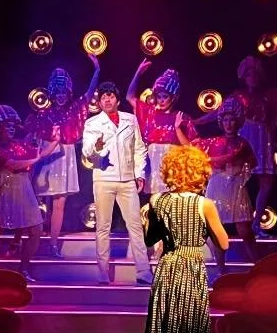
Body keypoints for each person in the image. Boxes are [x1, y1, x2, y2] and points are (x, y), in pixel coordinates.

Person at [142, 144, 229, 333]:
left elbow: (150, 238)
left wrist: (150, 218)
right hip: (190, 268)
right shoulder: (204, 204)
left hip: (167, 269)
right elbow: (224, 243)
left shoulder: (156, 201)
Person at [192, 51, 277, 237]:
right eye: (248, 74)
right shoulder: (237, 96)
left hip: (263, 139)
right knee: (234, 179)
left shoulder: (269, 95)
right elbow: (218, 113)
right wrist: (197, 122)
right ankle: (226, 222)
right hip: (243, 136)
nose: (252, 77)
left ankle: (256, 224)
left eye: (254, 74)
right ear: (244, 77)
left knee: (266, 182)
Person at [21, 53, 101, 256]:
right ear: (52, 93)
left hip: (65, 156)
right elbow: (29, 136)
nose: (60, 96)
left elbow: (89, 93)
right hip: (47, 156)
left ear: (68, 92)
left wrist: (97, 70)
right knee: (35, 201)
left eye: (63, 92)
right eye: (57, 93)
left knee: (59, 202)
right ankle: (26, 242)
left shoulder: (75, 109)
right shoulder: (43, 114)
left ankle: (53, 244)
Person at [0, 105, 60, 282]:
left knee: (36, 230)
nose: (11, 129)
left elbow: (40, 153)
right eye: (7, 126)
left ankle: (24, 269)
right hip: (8, 192)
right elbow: (13, 164)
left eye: (13, 126)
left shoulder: (19, 145)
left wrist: (56, 140)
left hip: (25, 190)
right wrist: (34, 160)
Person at [175, 96, 259, 274]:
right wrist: (177, 128)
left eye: (232, 120)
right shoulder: (213, 142)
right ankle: (222, 271)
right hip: (217, 187)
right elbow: (191, 147)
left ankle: (259, 267)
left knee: (245, 231)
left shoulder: (243, 144)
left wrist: (235, 167)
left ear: (238, 122)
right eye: (226, 120)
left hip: (236, 188)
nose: (229, 123)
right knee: (216, 231)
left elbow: (250, 162)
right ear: (221, 122)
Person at [81, 81, 153, 285]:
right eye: (103, 97)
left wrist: (140, 174)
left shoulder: (130, 120)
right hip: (104, 179)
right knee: (103, 227)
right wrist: (97, 146)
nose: (107, 100)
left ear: (117, 99)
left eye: (110, 96)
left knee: (136, 226)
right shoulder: (92, 123)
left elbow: (139, 148)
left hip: (128, 180)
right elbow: (87, 152)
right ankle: (102, 272)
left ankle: (143, 271)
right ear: (100, 102)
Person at [126, 59, 197, 196]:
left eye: (165, 96)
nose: (162, 100)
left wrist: (178, 129)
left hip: (174, 170)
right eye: (159, 97)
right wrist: (138, 73)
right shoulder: (150, 113)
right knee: (156, 208)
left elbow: (194, 149)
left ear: (173, 98)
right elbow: (130, 97)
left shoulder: (182, 117)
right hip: (153, 169)